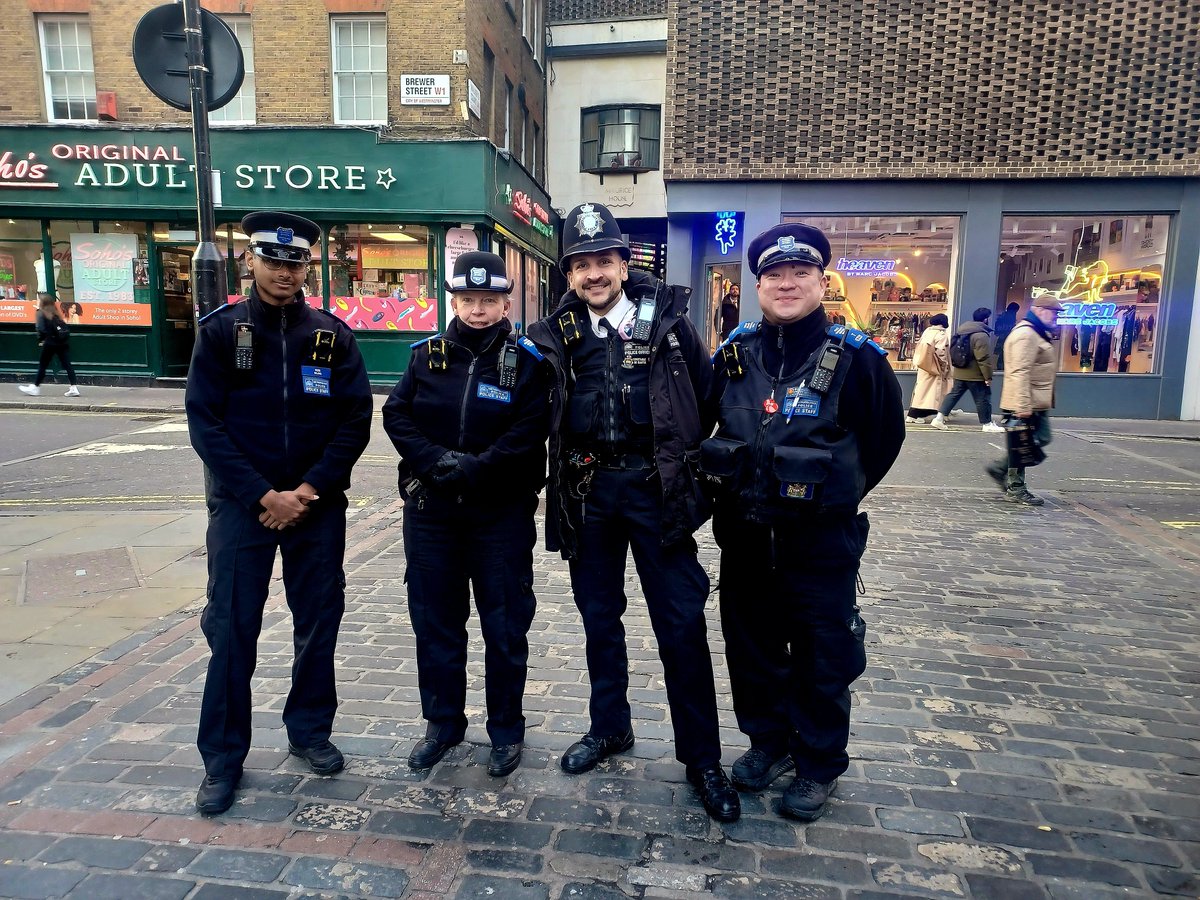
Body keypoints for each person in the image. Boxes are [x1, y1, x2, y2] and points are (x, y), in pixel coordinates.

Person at [526, 201, 740, 823]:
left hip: (657, 495)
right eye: (581, 264)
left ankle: (702, 758)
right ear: (568, 273)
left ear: (624, 262)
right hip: (590, 494)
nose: (594, 274)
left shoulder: (673, 326)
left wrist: (694, 482)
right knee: (599, 618)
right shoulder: (557, 336)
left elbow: (708, 404)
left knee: (680, 624)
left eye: (604, 260)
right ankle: (609, 725)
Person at [702, 223, 904, 821]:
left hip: (820, 542)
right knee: (753, 648)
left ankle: (818, 762)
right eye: (774, 274)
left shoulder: (858, 358)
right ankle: (769, 742)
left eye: (800, 273)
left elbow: (884, 439)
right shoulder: (734, 354)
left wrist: (836, 493)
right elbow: (706, 422)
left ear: (822, 281)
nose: (786, 284)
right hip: (744, 534)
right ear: (757, 283)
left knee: (822, 654)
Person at [185, 212, 373, 815]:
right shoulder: (220, 332)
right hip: (244, 509)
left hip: (316, 508)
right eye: (273, 260)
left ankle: (310, 730)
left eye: (295, 262)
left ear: (307, 266)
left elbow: (355, 420)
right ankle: (221, 759)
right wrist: (264, 496)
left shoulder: (332, 336)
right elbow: (205, 424)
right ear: (251, 261)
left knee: (318, 623)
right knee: (233, 631)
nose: (285, 271)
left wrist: (309, 490)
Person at [382, 251, 550, 778]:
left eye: (489, 301)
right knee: (435, 623)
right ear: (454, 301)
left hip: (498, 515)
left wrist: (474, 469)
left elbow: (529, 432)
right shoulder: (426, 355)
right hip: (432, 512)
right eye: (468, 300)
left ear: (506, 302)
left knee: (504, 626)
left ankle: (505, 729)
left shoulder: (526, 361)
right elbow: (396, 414)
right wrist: (434, 463)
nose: (478, 310)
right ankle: (442, 724)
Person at [986, 295, 1062, 506]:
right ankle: (1015, 487)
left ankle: (1002, 470)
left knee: (1036, 439)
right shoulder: (1026, 334)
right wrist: (1022, 404)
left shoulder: (1036, 332)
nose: (1056, 317)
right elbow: (1020, 371)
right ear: (1039, 310)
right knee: (1022, 444)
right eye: (1053, 312)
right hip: (1025, 401)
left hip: (1035, 400)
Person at [930, 307, 1003, 432]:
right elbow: (983, 357)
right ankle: (987, 424)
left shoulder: (962, 330)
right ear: (986, 319)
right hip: (975, 374)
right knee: (983, 398)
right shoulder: (981, 335)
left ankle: (938, 418)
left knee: (953, 395)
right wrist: (988, 376)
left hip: (959, 371)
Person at [19, 294, 80, 397]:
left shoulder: (40, 313)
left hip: (50, 343)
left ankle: (35, 387)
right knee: (67, 364)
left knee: (43, 365)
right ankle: (74, 387)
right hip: (62, 343)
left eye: (39, 300)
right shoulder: (56, 312)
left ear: (42, 303)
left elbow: (41, 329)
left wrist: (41, 340)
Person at [906, 313, 951, 423]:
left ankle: (913, 415)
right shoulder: (941, 335)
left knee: (921, 390)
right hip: (935, 367)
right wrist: (944, 366)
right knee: (931, 394)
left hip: (924, 366)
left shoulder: (927, 332)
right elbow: (941, 352)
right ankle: (919, 415)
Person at [993, 301, 1019, 370]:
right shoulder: (1009, 317)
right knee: (1003, 356)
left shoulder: (1003, 317)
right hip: (1005, 339)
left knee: (1002, 356)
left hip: (1003, 338)